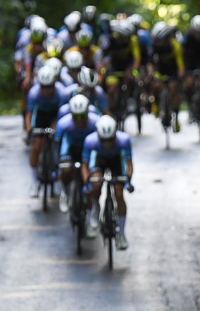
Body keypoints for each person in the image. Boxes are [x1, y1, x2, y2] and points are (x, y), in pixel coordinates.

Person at [81, 115, 134, 249]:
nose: (107, 144)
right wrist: (87, 184)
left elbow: (128, 164)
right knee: (95, 185)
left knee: (119, 194)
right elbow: (85, 166)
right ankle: (95, 209)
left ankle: (121, 233)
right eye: (103, 140)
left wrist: (127, 182)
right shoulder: (90, 141)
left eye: (110, 140)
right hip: (99, 160)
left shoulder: (124, 140)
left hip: (116, 161)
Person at [25, 65, 70, 196]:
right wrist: (29, 129)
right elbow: (29, 114)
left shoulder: (61, 92)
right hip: (41, 116)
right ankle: (34, 182)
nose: (46, 90)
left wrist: (56, 128)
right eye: (43, 87)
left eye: (49, 86)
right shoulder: (34, 93)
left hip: (56, 116)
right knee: (37, 146)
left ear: (54, 84)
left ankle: (58, 175)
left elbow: (63, 115)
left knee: (58, 144)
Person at [55, 94, 100, 218]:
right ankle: (65, 192)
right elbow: (60, 146)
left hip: (89, 152)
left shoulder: (96, 122)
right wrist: (60, 163)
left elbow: (98, 146)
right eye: (76, 117)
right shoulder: (63, 124)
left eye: (82, 116)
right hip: (72, 149)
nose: (79, 120)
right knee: (65, 169)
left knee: (94, 179)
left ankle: (94, 209)